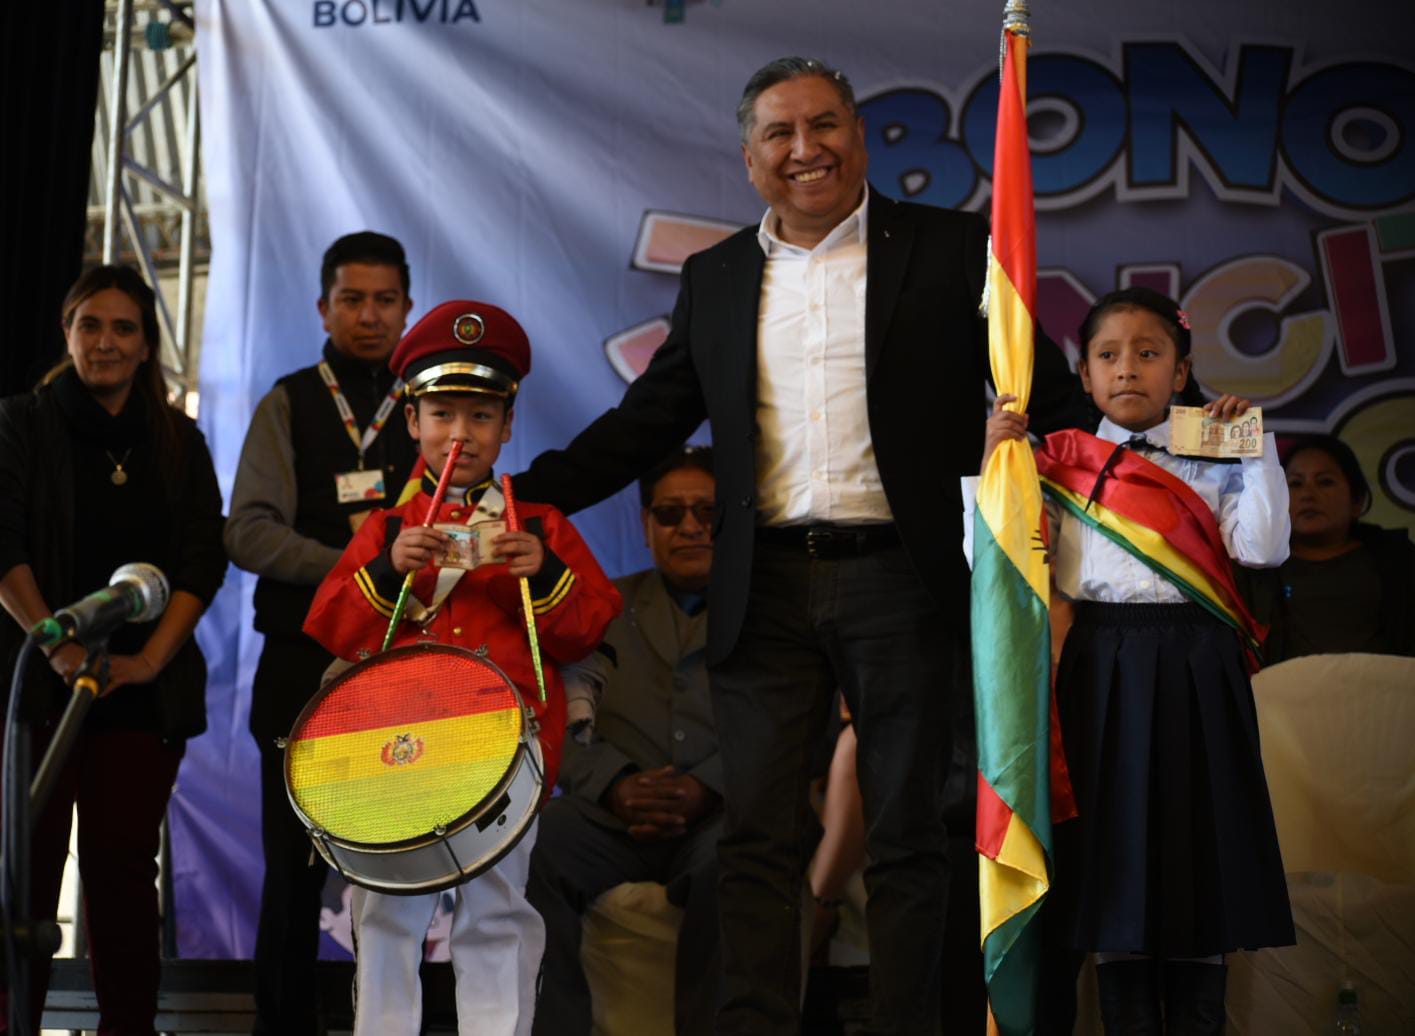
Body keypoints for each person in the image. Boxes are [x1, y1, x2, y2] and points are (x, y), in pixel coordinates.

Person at [513, 56, 1087, 1033]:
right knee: (756, 839)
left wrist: (1156, 449)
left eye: (823, 125)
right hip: (764, 583)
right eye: (778, 133)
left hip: (904, 579)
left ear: (858, 136)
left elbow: (1052, 394)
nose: (804, 148)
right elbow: (646, 423)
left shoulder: (953, 249)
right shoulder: (717, 275)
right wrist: (514, 495)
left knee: (908, 835)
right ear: (748, 160)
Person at [302, 299, 622, 1036]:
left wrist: (541, 574)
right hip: (396, 751)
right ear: (412, 421)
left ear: (508, 426)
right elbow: (331, 628)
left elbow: (588, 629)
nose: (460, 434)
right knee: (385, 915)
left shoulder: (539, 526)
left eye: (481, 416)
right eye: (442, 414)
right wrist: (390, 569)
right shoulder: (386, 529)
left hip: (503, 755)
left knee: (498, 914)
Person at [983, 286, 1295, 1033]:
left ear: (1180, 371)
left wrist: (1256, 447)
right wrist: (996, 466)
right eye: (1108, 355)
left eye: (1149, 353)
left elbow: (1262, 548)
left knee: (1198, 847)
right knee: (1115, 853)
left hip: (1199, 665)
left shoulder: (1217, 448)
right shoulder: (1056, 459)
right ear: (1085, 375)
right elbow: (991, 566)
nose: (1128, 368)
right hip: (1102, 664)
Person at [0, 265, 226, 1033]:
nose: (105, 341)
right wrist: (58, 650)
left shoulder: (179, 440)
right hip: (38, 691)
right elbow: (3, 546)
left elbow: (202, 560)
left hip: (140, 695)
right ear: (66, 334)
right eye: (89, 324)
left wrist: (150, 660)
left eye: (123, 327)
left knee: (122, 876)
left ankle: (128, 1027)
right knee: (25, 877)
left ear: (146, 345)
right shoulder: (21, 423)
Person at [224, 230, 420, 1035]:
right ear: (322, 307)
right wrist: (359, 565)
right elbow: (247, 532)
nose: (368, 316)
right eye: (352, 299)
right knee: (295, 870)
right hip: (302, 665)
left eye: (384, 300)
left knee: (406, 869)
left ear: (407, 308)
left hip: (408, 667)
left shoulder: (429, 403)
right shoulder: (290, 401)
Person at [528, 445, 722, 1036]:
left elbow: (800, 728)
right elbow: (552, 717)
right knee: (536, 845)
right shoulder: (600, 609)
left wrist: (706, 787)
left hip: (723, 816)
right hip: (610, 819)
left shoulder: (770, 616)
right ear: (645, 525)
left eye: (708, 512)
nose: (690, 526)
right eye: (670, 513)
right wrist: (614, 784)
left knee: (742, 858)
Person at [1236, 434, 1415, 663]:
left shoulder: (1398, 560)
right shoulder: (1256, 569)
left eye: (1325, 482)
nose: (1308, 495)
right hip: (1282, 687)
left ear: (1357, 501)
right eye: (1295, 484)